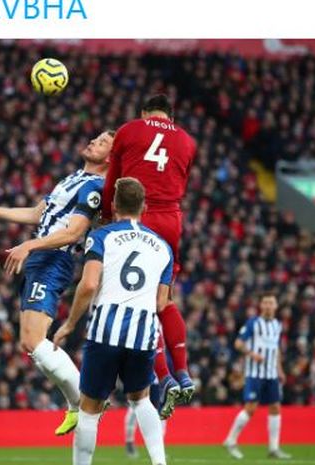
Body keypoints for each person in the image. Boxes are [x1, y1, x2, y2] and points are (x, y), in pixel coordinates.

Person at [0, 131, 113, 435]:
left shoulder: (96, 187)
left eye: (101, 142)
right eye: (95, 138)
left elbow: (73, 234)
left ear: (111, 158)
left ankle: (88, 402)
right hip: (41, 257)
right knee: (29, 342)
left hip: (53, 258)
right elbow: (38, 213)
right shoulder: (72, 178)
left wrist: (29, 246)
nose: (92, 142)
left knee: (33, 340)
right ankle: (80, 403)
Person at [54, 177, 174, 465]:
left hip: (105, 332)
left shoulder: (102, 236)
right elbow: (161, 302)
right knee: (141, 399)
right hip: (143, 334)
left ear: (113, 204)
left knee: (89, 409)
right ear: (143, 207)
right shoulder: (163, 247)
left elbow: (89, 284)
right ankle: (160, 462)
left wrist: (70, 324)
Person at [101, 94, 197, 414]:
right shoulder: (187, 141)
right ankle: (182, 372)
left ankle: (165, 377)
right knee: (164, 301)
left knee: (139, 302)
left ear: (143, 113)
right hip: (171, 220)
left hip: (139, 217)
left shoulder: (129, 130)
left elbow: (113, 181)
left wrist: (106, 216)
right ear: (171, 115)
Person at [223, 291, 291, 459]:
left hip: (271, 374)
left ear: (275, 306)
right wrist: (252, 354)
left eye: (271, 303)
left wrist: (280, 370)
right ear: (261, 305)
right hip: (255, 374)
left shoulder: (277, 325)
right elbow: (238, 343)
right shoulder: (253, 323)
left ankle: (274, 448)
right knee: (251, 407)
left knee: (275, 407)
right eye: (265, 303)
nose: (268, 306)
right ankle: (230, 440)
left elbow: (275, 350)